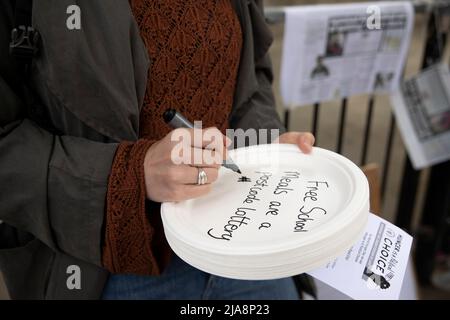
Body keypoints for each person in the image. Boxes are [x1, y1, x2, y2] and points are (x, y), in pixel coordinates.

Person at [0, 0, 315, 299]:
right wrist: (128, 174)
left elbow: (251, 75)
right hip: (106, 267)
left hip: (244, 242)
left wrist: (261, 146)